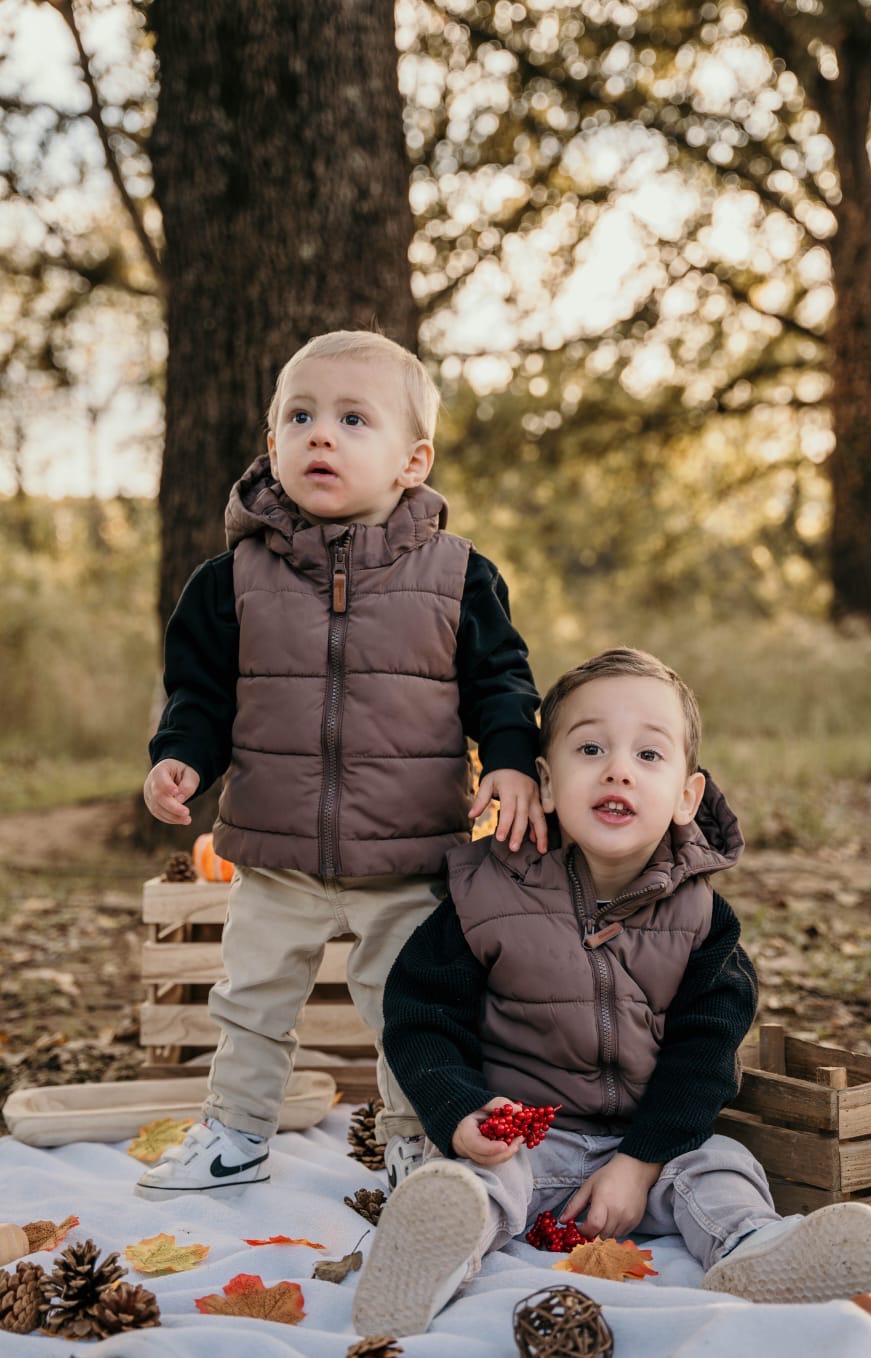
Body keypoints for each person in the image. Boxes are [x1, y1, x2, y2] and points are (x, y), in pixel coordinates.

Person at [352, 647, 871, 1336]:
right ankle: (432, 1258)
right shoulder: (486, 892)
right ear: (546, 783)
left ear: (687, 797)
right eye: (590, 748)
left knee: (722, 1165)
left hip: (654, 1148)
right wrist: (462, 1114)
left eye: (648, 754)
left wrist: (639, 1165)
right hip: (528, 1138)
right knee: (476, 1180)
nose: (617, 769)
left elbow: (705, 1058)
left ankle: (753, 1249)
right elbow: (421, 1016)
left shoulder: (703, 920)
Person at [135, 330, 546, 1199]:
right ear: (272, 443)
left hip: (408, 853)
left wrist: (512, 760)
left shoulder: (458, 576)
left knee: (411, 1009)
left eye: (354, 419)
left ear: (412, 461)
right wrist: (180, 759)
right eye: (301, 417)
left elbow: (502, 683)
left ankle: (413, 1141)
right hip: (275, 850)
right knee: (250, 999)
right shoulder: (230, 581)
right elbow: (201, 697)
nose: (321, 433)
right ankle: (236, 1133)